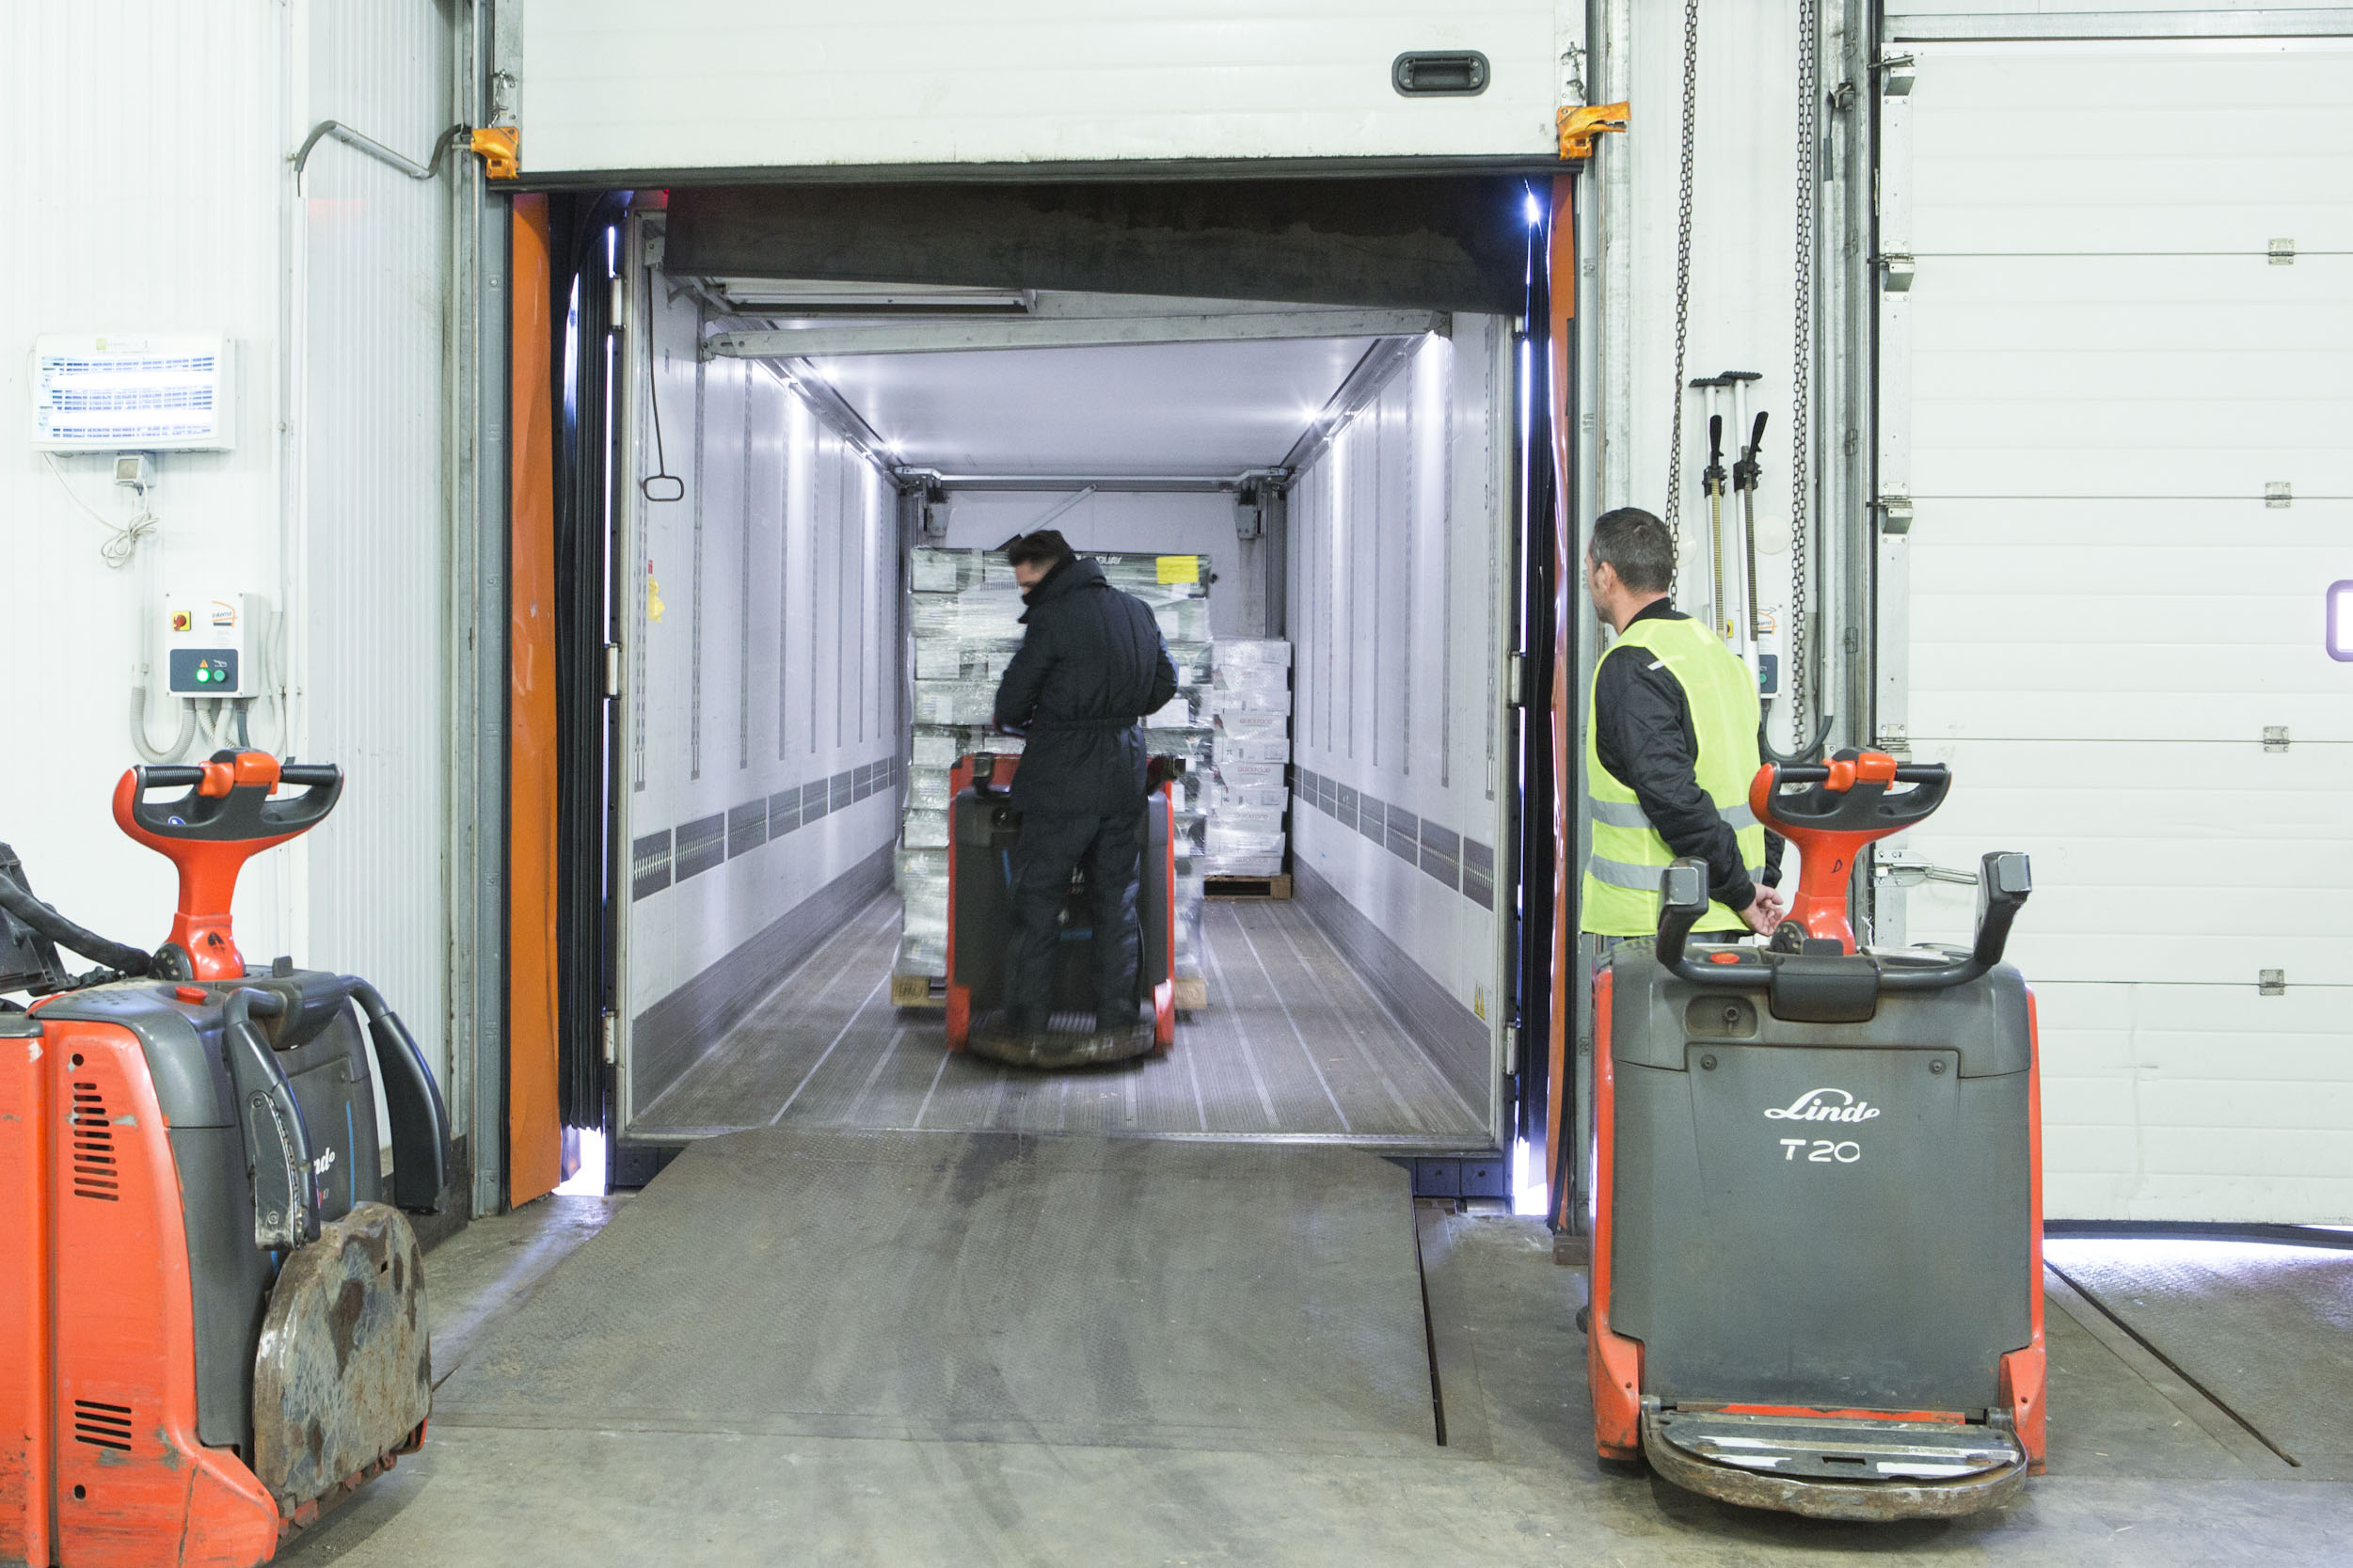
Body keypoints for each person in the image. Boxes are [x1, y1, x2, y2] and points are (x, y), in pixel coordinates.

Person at [989, 530, 1180, 1042]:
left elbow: (1010, 704)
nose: (1025, 592)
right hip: (1123, 776)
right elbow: (1166, 682)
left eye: (1027, 583)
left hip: (1058, 783)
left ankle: (1028, 1025)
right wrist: (1118, 714)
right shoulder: (1137, 611)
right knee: (1117, 902)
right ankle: (1118, 1021)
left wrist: (1040, 722)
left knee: (1038, 902)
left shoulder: (1053, 619)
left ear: (1049, 570)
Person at [1582, 506, 1784, 942]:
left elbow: (1672, 798)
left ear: (1607, 575)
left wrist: (1742, 891)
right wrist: (1756, 882)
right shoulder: (1719, 657)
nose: (1589, 582)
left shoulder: (1633, 663)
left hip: (1662, 927)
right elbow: (1765, 780)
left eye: (1589, 569)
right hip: (1723, 919)